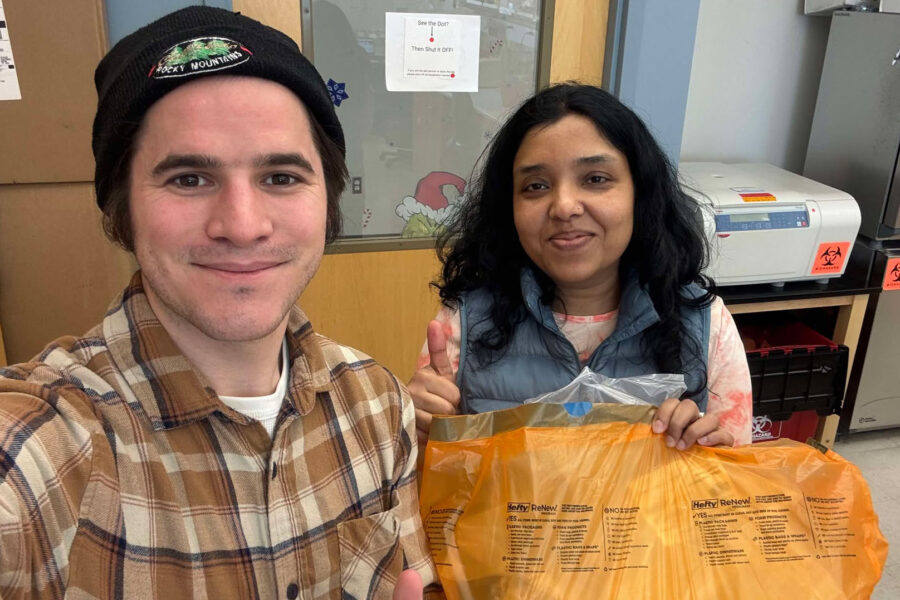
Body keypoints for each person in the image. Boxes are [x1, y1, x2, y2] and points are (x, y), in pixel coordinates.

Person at [0, 7, 439, 599]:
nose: (242, 224)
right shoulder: (45, 446)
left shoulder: (378, 404)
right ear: (121, 208)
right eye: (189, 178)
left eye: (281, 176)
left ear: (327, 201)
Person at [409, 84, 752, 450]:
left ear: (641, 192)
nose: (564, 206)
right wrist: (416, 431)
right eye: (536, 186)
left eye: (595, 179)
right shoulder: (462, 322)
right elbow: (430, 486)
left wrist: (713, 457)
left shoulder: (706, 324)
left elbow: (736, 489)